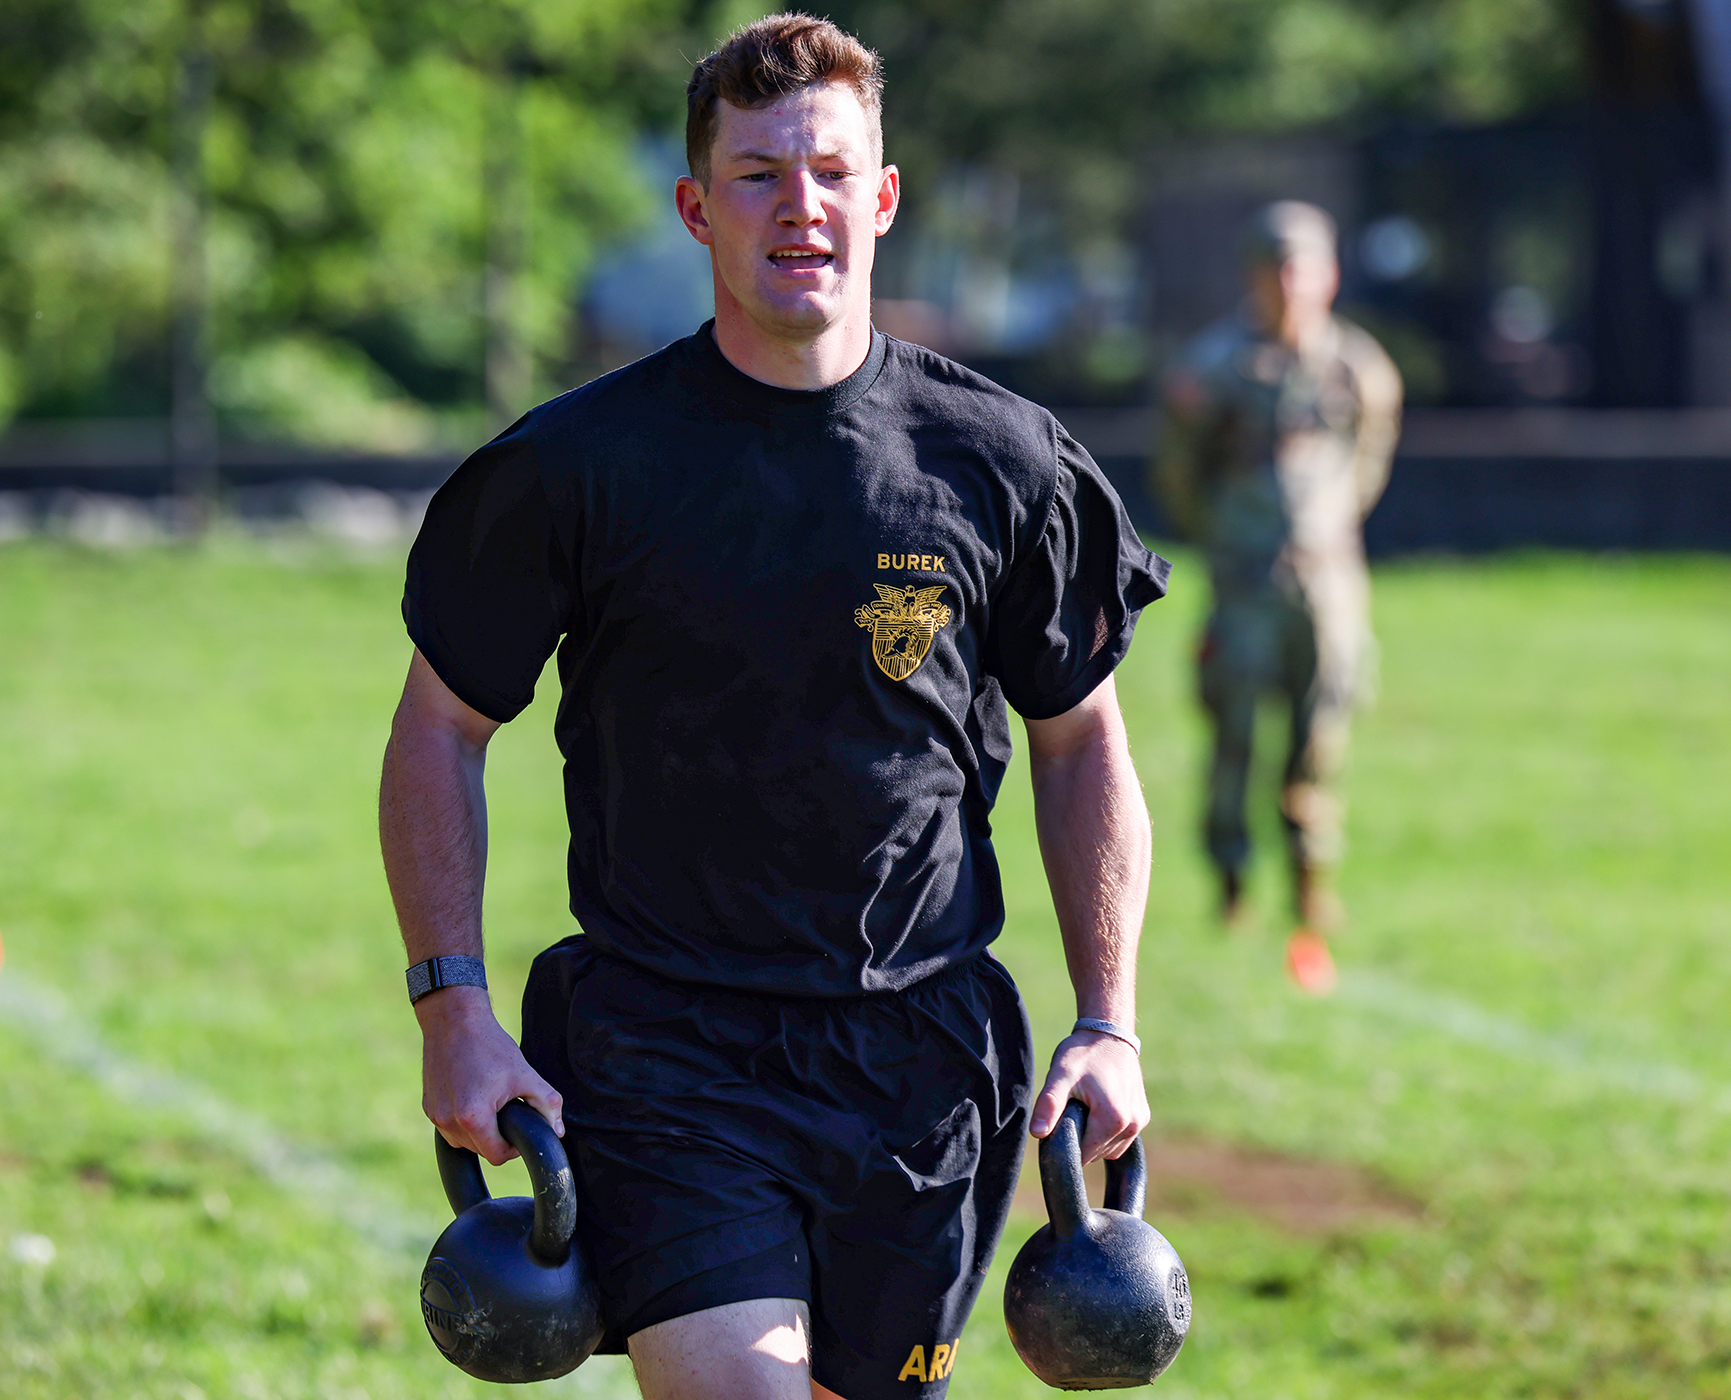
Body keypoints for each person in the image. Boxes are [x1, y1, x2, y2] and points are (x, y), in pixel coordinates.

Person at [381, 15, 1169, 1400]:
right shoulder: (576, 469)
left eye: (825, 171)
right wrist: (453, 1003)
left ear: (883, 197)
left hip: (924, 1060)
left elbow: (1080, 737)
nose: (795, 205)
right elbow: (440, 730)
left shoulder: (1006, 462)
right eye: (755, 175)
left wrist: (1110, 1016)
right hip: (668, 1048)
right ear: (697, 209)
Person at [1151, 201, 1402, 991]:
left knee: (1319, 741)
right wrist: (1230, 537)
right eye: (1276, 267)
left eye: (1305, 268)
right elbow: (1180, 474)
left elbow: (1368, 460)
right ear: (1255, 275)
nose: (1290, 285)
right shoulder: (1214, 369)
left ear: (1329, 276)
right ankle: (1230, 883)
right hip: (1244, 580)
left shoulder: (1358, 369)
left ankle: (1310, 890)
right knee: (1233, 738)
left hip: (1325, 585)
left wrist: (1323, 535)